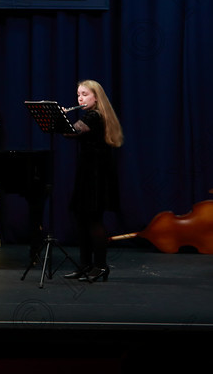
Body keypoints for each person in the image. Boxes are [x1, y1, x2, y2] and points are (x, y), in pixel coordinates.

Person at [63, 80, 123, 283]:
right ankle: (86, 265)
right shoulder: (92, 115)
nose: (80, 98)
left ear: (96, 97)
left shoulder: (95, 116)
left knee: (93, 219)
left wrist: (60, 117)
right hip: (88, 171)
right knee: (82, 219)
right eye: (78, 94)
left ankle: (100, 266)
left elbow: (71, 132)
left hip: (96, 174)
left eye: (85, 94)